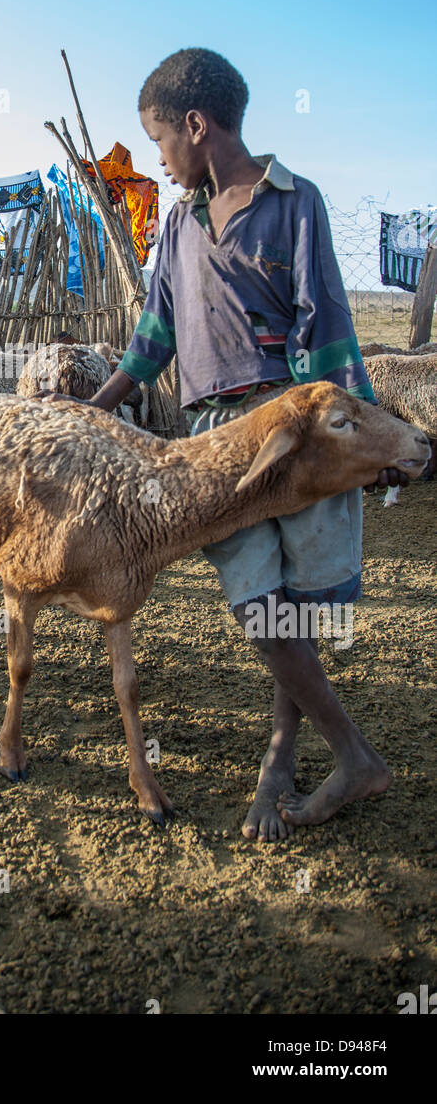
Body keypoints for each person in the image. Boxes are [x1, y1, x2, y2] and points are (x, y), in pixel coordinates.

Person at [81, 48, 408, 838]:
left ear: (197, 126)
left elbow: (325, 325)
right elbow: (151, 340)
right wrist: (89, 415)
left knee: (296, 608)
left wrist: (363, 442)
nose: (158, 158)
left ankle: (282, 761)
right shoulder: (180, 221)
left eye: (160, 140)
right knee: (258, 607)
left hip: (296, 436)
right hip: (214, 444)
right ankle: (348, 755)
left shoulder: (295, 204)